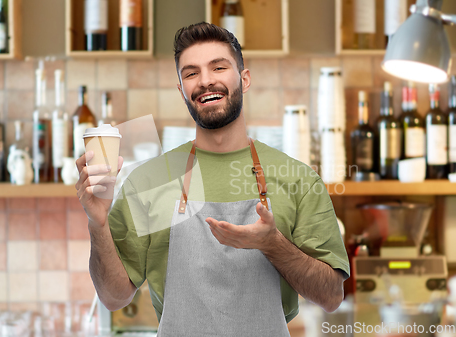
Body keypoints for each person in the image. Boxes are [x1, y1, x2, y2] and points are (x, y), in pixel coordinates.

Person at [75, 22, 350, 336]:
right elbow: (114, 297)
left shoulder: (299, 179)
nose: (206, 81)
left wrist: (273, 245)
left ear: (244, 80)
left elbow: (330, 297)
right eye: (191, 73)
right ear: (182, 91)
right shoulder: (152, 181)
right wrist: (96, 223)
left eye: (219, 67)